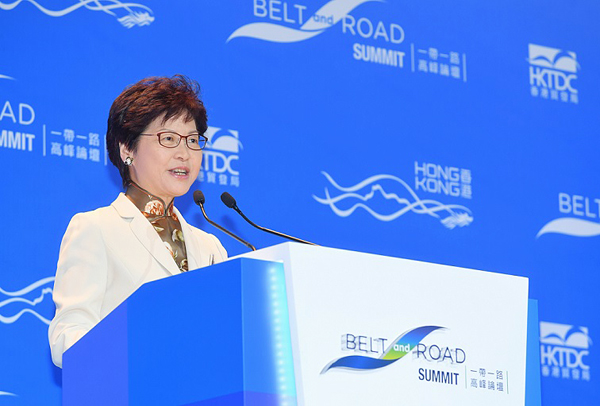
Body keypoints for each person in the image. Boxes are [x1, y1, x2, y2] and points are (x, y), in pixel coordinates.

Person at [48, 75, 227, 368]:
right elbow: (66, 338)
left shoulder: (211, 247)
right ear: (127, 149)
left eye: (193, 140)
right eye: (168, 139)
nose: (184, 153)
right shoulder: (96, 228)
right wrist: (138, 349)